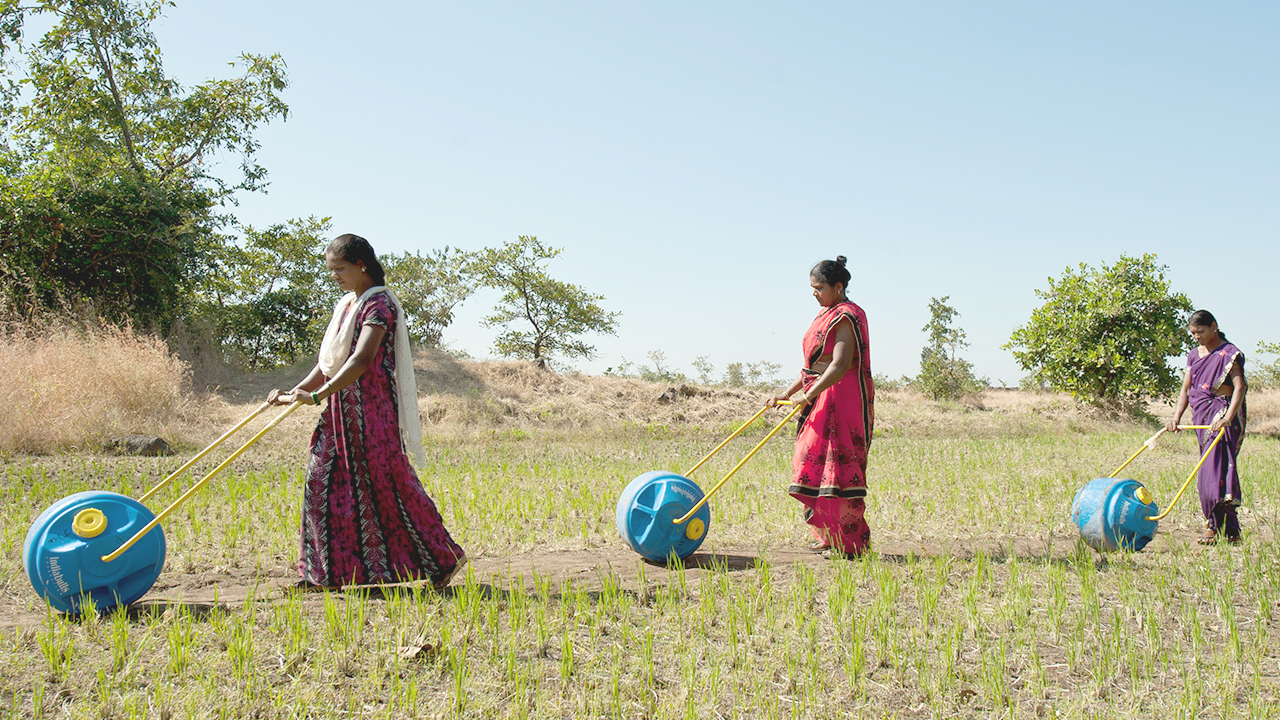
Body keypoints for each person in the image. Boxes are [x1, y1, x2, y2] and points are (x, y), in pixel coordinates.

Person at [269, 234, 466, 589]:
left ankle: (443, 560)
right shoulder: (347, 305)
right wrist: (301, 389)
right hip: (339, 413)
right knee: (321, 484)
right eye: (331, 270)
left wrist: (321, 394)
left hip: (372, 413)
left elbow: (361, 359)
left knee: (388, 487)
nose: (335, 276)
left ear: (361, 265)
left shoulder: (379, 306)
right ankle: (324, 573)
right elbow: (329, 362)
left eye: (339, 269)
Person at [769, 256, 875, 557]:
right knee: (808, 463)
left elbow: (839, 365)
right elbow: (812, 366)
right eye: (812, 288)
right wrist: (786, 393)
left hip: (841, 401)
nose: (814, 293)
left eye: (819, 287)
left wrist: (807, 394)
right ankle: (829, 535)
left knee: (840, 471)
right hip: (820, 399)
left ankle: (851, 544)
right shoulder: (824, 315)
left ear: (838, 287)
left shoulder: (847, 316)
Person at [1166, 309, 1247, 545]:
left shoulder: (1230, 353)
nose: (1197, 337)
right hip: (1200, 416)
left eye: (1200, 331)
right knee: (1216, 470)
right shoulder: (1193, 355)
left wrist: (1227, 418)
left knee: (1211, 471)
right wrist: (1176, 417)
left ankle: (1213, 526)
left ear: (1214, 326)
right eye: (1193, 333)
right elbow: (1186, 390)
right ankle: (1231, 531)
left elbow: (1240, 388)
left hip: (1221, 414)